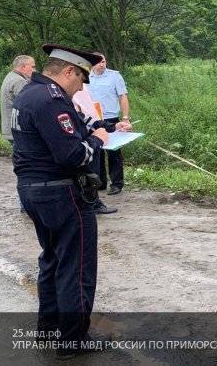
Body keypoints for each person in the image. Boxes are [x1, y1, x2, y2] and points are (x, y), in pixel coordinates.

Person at [11, 44, 130, 359]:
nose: (82, 87)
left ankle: (50, 331)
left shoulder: (29, 94)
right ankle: (73, 339)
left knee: (51, 260)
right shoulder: (52, 101)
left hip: (34, 190)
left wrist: (106, 128)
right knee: (75, 267)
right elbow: (72, 153)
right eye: (81, 80)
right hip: (62, 193)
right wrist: (97, 141)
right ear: (68, 71)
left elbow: (74, 130)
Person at [88, 53, 129, 195]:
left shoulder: (114, 76)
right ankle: (100, 182)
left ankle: (117, 183)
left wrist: (125, 117)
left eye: (104, 61)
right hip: (93, 120)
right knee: (96, 150)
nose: (102, 64)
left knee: (114, 152)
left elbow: (123, 96)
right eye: (98, 61)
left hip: (111, 119)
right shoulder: (86, 77)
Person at [73, 84, 117, 215]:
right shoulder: (63, 103)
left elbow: (90, 120)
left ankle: (94, 203)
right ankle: (89, 205)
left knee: (93, 173)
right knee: (86, 174)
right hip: (82, 142)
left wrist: (114, 127)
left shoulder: (81, 93)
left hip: (91, 139)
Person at [0, 55, 36, 144]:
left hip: (11, 128)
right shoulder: (19, 81)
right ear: (23, 67)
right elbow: (29, 104)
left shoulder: (11, 76)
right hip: (18, 130)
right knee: (25, 157)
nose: (34, 70)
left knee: (18, 156)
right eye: (33, 67)